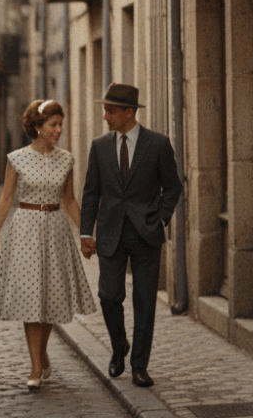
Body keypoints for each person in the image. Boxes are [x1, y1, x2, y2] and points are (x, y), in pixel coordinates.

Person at [0, 99, 97, 390]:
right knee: (30, 299)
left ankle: (42, 351)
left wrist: (85, 233)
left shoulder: (67, 159)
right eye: (53, 125)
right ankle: (36, 364)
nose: (59, 130)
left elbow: (69, 200)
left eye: (61, 124)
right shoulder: (17, 158)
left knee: (50, 298)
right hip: (25, 230)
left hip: (56, 230)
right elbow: (6, 199)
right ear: (37, 127)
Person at [80, 83, 182, 388]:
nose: (105, 116)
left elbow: (173, 186)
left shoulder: (158, 144)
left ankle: (139, 366)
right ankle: (119, 345)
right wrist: (86, 232)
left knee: (144, 302)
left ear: (128, 112)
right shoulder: (99, 146)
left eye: (110, 111)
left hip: (146, 235)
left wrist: (160, 218)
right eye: (105, 110)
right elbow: (91, 192)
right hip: (110, 233)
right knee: (109, 295)